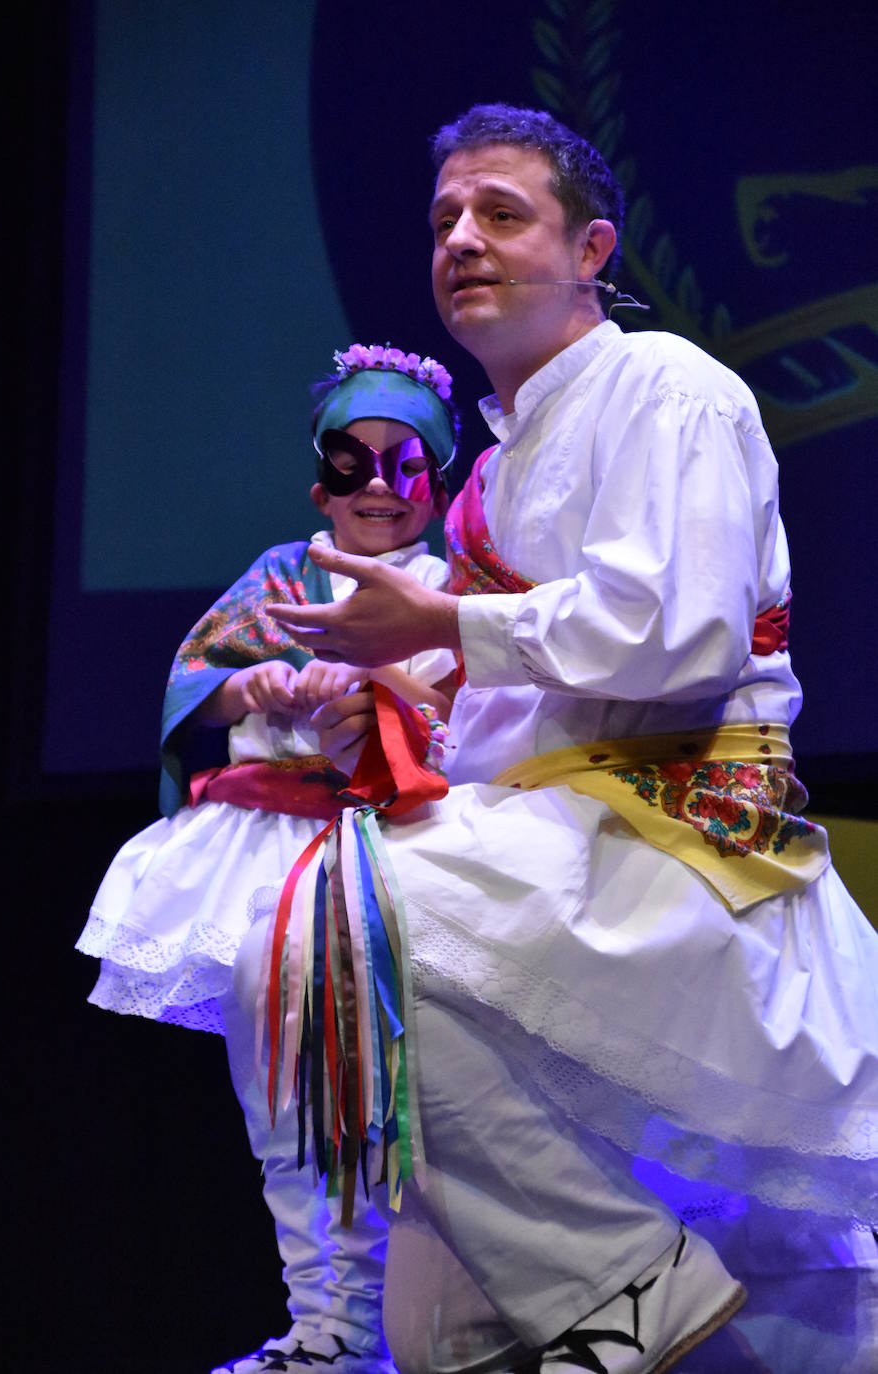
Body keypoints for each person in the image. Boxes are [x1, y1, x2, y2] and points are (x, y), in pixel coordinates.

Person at [240, 105, 878, 1374]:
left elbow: (677, 633)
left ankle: (625, 1280)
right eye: (442, 223)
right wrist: (382, 674)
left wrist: (448, 626)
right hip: (546, 838)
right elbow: (510, 658)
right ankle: (556, 1287)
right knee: (436, 1341)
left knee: (338, 921)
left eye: (499, 213)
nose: (461, 240)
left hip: (668, 832)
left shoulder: (667, 388)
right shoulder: (496, 464)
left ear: (594, 249)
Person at [76, 343, 459, 1374]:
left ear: (437, 478)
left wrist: (377, 694)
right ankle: (330, 1327)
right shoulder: (279, 576)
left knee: (427, 1114)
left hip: (411, 869)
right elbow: (203, 675)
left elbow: (475, 707)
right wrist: (263, 691)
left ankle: (426, 1326)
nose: (377, 484)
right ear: (318, 477)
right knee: (290, 1105)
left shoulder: (449, 587)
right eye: (352, 461)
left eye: (403, 462)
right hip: (271, 871)